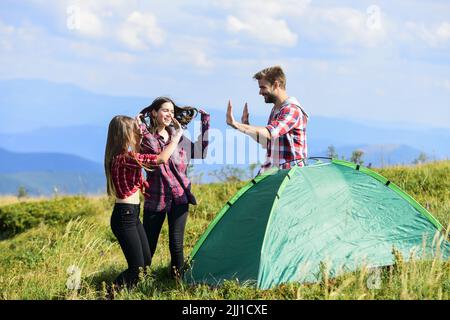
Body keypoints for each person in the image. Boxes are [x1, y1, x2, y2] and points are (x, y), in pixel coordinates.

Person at [104, 114, 183, 288]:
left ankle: (123, 292)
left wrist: (140, 128)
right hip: (124, 217)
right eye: (133, 131)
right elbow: (160, 159)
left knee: (145, 262)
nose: (136, 133)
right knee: (137, 270)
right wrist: (176, 138)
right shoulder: (125, 158)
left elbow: (140, 153)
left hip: (131, 216)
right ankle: (108, 294)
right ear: (125, 134)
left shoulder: (124, 157)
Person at [138, 97, 210, 280]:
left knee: (176, 244)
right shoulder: (147, 138)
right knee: (149, 244)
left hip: (180, 197)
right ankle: (139, 279)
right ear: (154, 113)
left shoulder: (178, 136)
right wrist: (176, 136)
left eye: (171, 111)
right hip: (156, 198)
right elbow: (158, 156)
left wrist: (205, 123)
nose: (170, 114)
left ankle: (176, 282)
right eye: (165, 110)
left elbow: (200, 153)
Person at [226, 65, 309, 174]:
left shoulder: (292, 110)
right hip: (274, 173)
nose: (260, 92)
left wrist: (236, 125)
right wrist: (246, 125)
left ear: (276, 85)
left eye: (263, 87)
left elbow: (270, 133)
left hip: (290, 177)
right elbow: (268, 141)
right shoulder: (276, 110)